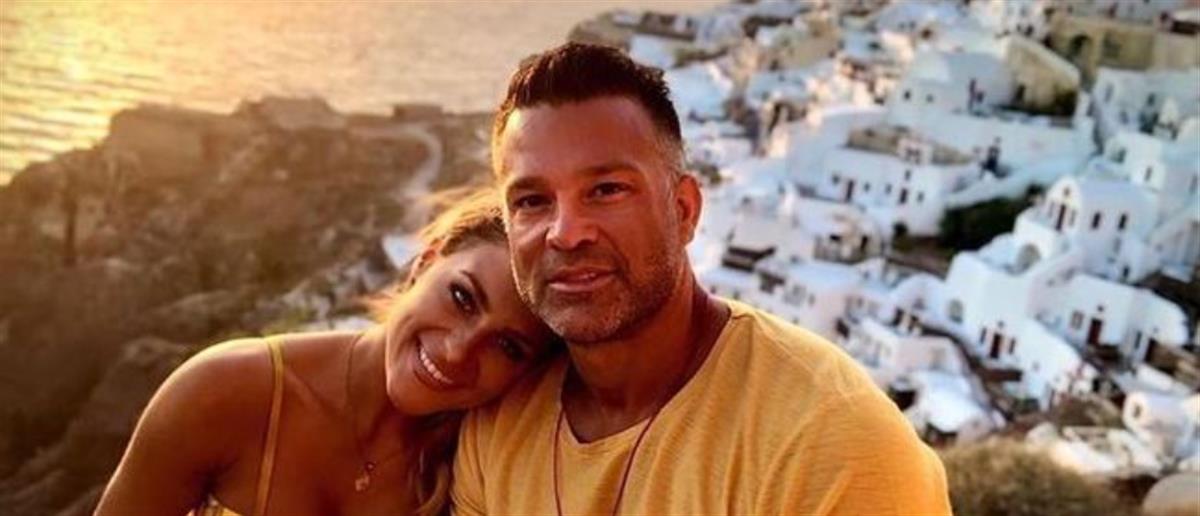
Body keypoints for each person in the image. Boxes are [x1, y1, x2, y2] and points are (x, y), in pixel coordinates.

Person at [452, 43, 952, 515]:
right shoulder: (497, 422)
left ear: (684, 210)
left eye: (606, 190)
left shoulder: (832, 441)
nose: (566, 232)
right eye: (532, 201)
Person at [96, 188, 558, 516]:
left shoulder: (477, 465)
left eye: (508, 346)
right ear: (424, 262)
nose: (459, 352)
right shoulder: (225, 390)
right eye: (462, 298)